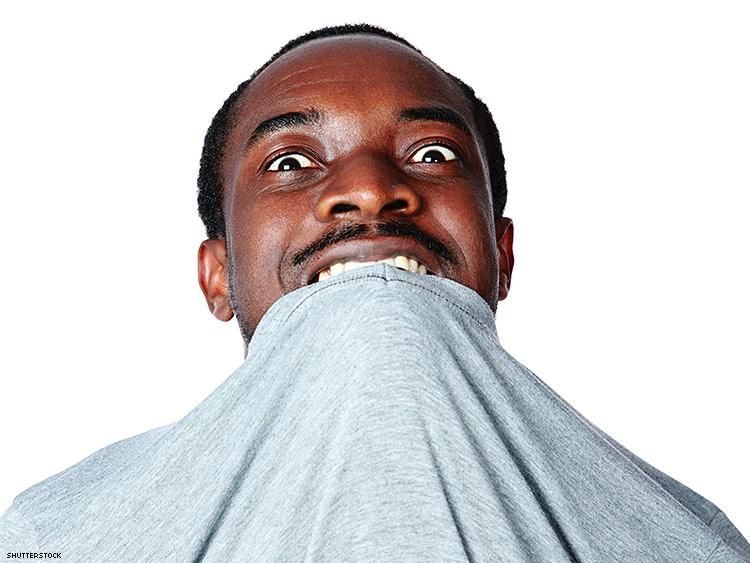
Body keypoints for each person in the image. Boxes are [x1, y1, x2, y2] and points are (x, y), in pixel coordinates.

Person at [1, 24, 748, 562]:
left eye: (433, 154)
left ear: (502, 254)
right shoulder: (53, 538)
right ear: (217, 274)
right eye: (290, 162)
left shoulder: (689, 540)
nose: (367, 188)